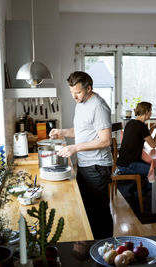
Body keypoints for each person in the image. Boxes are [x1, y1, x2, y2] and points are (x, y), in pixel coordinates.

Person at [49, 71, 113, 239]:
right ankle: (94, 246)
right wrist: (63, 132)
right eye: (71, 92)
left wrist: (75, 148)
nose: (74, 96)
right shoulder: (81, 103)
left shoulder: (98, 106)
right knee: (88, 209)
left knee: (99, 212)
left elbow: (106, 140)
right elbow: (82, 131)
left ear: (89, 88)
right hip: (85, 164)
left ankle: (104, 247)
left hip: (97, 166)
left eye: (77, 92)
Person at [116, 102, 156, 178]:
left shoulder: (131, 122)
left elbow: (144, 135)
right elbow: (153, 145)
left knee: (151, 167)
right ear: (147, 112)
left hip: (122, 163)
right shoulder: (142, 126)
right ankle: (148, 189)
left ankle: (144, 185)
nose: (151, 113)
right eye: (151, 111)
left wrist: (153, 127)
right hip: (129, 165)